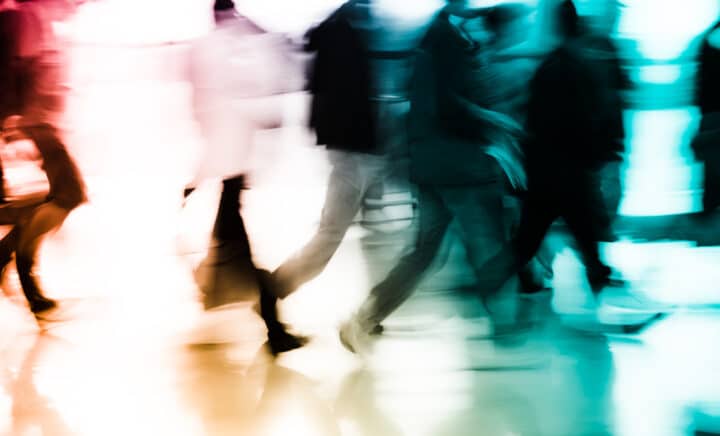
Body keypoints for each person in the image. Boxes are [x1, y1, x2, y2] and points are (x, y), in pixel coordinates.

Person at [339, 0, 527, 353]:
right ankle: (505, 320)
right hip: (455, 166)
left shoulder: (436, 36)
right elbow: (449, 106)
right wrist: (493, 120)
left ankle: (364, 317)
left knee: (425, 252)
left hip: (432, 164)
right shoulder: (446, 41)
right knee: (484, 242)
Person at [185, 0, 305, 355]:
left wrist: (197, 177)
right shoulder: (229, 50)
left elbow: (207, 114)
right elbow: (228, 113)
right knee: (239, 250)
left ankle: (232, 306)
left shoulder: (210, 50)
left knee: (229, 247)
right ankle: (273, 326)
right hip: (231, 166)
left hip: (227, 167)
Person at [267, 0, 390, 300]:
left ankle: (374, 309)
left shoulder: (341, 27)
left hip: (350, 146)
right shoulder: (347, 31)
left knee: (353, 229)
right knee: (332, 232)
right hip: (352, 148)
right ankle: (275, 287)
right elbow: (350, 95)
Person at [0, 0, 87, 317]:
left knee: (48, 201)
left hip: (40, 125)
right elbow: (17, 75)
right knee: (69, 195)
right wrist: (16, 128)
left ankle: (21, 275)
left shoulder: (35, 18)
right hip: (36, 127)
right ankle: (15, 264)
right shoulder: (26, 19)